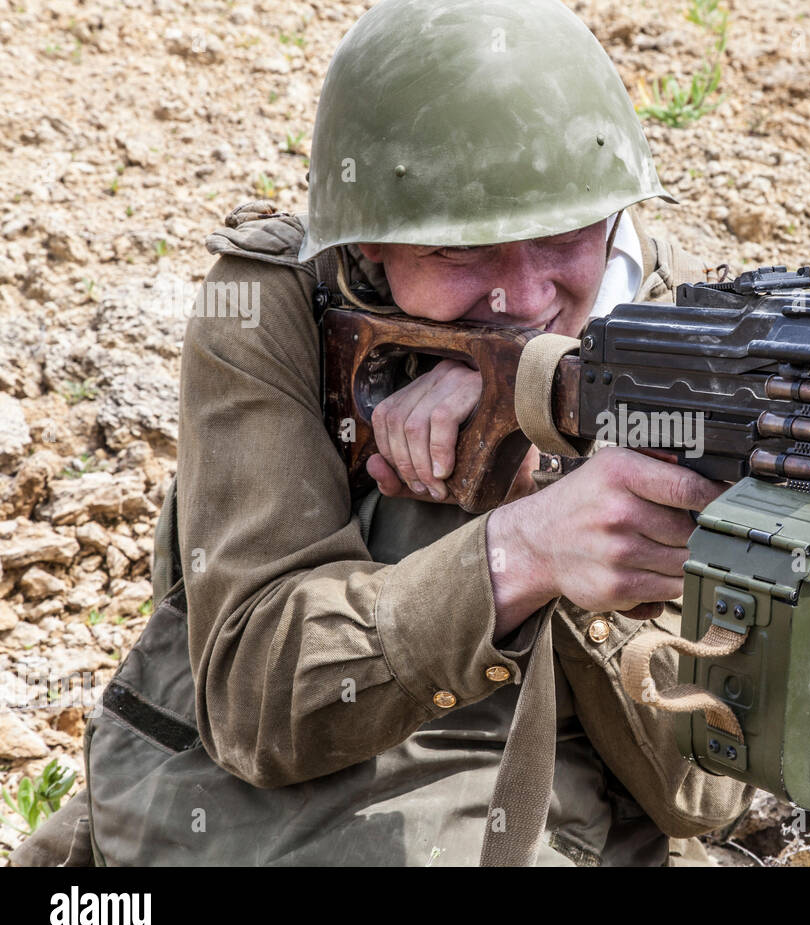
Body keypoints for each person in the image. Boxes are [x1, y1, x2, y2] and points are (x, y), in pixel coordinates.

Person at [12, 0, 753, 867]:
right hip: (238, 798)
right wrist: (518, 551)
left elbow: (705, 790)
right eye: (460, 253)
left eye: (561, 239)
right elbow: (257, 701)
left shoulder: (699, 342)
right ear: (369, 244)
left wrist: (554, 454)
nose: (524, 296)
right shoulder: (275, 304)